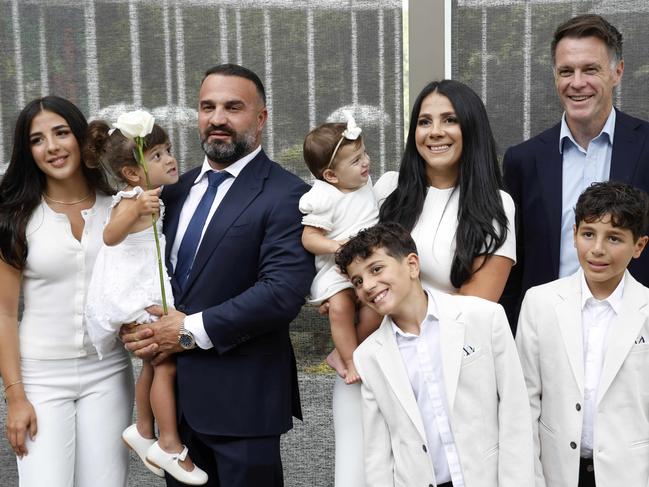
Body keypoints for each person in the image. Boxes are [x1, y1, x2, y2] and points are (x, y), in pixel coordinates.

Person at [120, 63, 315, 487]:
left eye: (233, 107)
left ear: (260, 119)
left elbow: (281, 293)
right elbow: (145, 272)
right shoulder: (172, 191)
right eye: (207, 107)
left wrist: (187, 331)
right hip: (176, 411)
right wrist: (135, 327)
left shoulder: (288, 195)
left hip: (243, 409)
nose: (217, 119)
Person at [336, 222, 534, 487]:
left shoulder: (484, 317)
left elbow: (515, 413)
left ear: (412, 265)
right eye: (357, 281)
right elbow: (378, 453)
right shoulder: (368, 356)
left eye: (376, 269)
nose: (368, 285)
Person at [0, 96, 134, 486]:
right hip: (39, 377)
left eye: (61, 133)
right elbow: (5, 314)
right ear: (28, 153)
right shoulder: (15, 217)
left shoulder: (118, 208)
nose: (53, 147)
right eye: (37, 140)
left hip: (108, 370)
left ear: (80, 137)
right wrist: (16, 397)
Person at [502, 14, 649, 328]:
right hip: (548, 333)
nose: (577, 82)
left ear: (617, 72)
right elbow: (514, 268)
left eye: (590, 69)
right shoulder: (523, 161)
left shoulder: (647, 148)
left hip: (635, 333)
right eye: (566, 71)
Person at [83, 119, 207, 485]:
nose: (169, 159)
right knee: (165, 365)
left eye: (168, 150)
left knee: (153, 366)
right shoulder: (132, 199)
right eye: (157, 155)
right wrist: (136, 209)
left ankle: (141, 428)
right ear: (131, 172)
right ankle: (168, 444)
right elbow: (109, 236)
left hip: (148, 293)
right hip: (135, 298)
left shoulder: (150, 195)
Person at [515, 181, 649, 487]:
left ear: (638, 246)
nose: (598, 249)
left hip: (630, 475)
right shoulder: (540, 302)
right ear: (574, 234)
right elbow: (525, 401)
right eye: (588, 234)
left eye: (614, 238)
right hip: (555, 472)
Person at [376, 79, 516, 303]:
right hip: (376, 335)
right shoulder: (388, 188)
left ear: (472, 128)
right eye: (424, 122)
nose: (435, 132)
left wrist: (394, 302)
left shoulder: (495, 203)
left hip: (453, 336)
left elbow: (478, 304)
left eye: (450, 120)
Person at [299, 116, 382, 487]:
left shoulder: (368, 186)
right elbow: (309, 238)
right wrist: (337, 248)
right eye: (355, 160)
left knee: (376, 311)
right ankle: (349, 361)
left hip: (366, 266)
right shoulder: (323, 197)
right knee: (341, 307)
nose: (365, 164)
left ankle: (344, 354)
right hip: (336, 269)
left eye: (364, 155)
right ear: (331, 175)